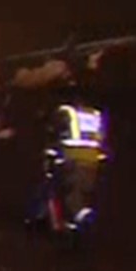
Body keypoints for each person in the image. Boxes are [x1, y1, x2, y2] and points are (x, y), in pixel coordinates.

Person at [36, 86, 107, 234]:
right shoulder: (95, 114)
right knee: (83, 194)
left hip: (72, 159)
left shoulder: (66, 111)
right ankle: (80, 225)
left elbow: (52, 132)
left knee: (70, 197)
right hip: (93, 161)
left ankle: (82, 223)